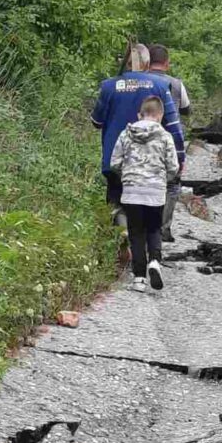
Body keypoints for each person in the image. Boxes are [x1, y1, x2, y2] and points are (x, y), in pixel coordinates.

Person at [91, 43, 185, 227]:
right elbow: (173, 126)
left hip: (114, 158)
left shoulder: (108, 86)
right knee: (147, 207)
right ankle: (142, 242)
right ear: (147, 63)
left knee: (116, 201)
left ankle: (120, 235)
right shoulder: (160, 85)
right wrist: (179, 156)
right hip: (149, 160)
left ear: (126, 63)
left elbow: (97, 122)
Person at [109, 96, 179, 292]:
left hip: (132, 191)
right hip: (155, 190)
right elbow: (173, 167)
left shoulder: (126, 134)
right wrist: (164, 178)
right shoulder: (165, 136)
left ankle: (139, 278)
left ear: (140, 114)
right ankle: (155, 261)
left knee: (136, 233)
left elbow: (114, 162)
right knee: (154, 229)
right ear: (160, 115)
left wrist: (127, 175)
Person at [147, 43, 191, 242]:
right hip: (170, 141)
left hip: (143, 140)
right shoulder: (175, 84)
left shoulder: (140, 81)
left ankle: (143, 227)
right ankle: (164, 228)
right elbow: (186, 109)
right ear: (167, 62)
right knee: (172, 185)